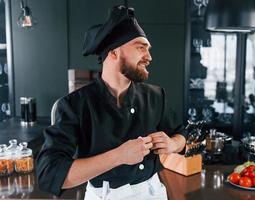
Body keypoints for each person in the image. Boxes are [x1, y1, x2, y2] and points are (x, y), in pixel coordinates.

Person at [36, 5, 186, 200]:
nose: (149, 57)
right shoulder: (75, 106)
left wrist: (173, 144)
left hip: (152, 192)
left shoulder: (156, 96)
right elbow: (49, 173)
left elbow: (183, 133)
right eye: (141, 47)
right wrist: (118, 156)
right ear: (113, 53)